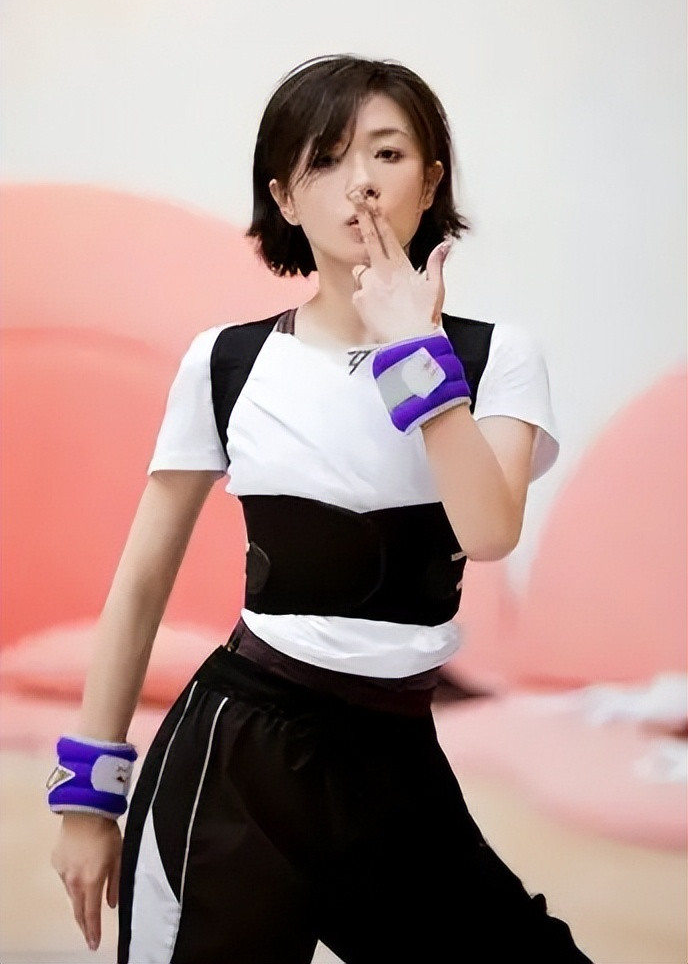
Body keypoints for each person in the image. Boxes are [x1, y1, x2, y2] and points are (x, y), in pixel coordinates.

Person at [48, 54, 594, 963]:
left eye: (388, 154)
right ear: (285, 198)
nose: (361, 184)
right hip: (236, 766)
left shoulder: (496, 356)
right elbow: (141, 583)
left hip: (396, 763)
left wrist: (413, 347)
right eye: (326, 159)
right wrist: (86, 798)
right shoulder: (226, 362)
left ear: (431, 182)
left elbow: (489, 530)